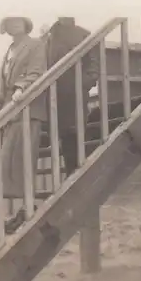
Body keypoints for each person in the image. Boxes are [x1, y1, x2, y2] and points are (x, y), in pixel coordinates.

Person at [0, 17, 48, 234]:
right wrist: (0, 97)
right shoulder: (10, 50)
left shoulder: (35, 44)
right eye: (9, 23)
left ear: (26, 24)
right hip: (10, 108)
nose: (13, 25)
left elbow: (36, 71)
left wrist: (21, 88)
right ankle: (19, 211)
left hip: (27, 107)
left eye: (17, 21)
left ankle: (26, 210)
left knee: (20, 159)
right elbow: (6, 80)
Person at [45, 17, 99, 177]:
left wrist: (84, 83)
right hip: (55, 95)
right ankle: (69, 176)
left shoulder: (83, 34)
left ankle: (77, 175)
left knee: (76, 133)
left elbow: (94, 64)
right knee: (61, 135)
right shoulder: (50, 36)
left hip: (75, 92)